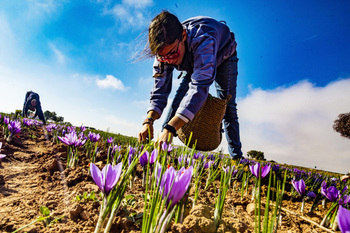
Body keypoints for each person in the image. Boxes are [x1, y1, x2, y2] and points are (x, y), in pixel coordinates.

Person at [138, 11, 242, 159]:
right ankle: (161, 149)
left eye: (172, 54)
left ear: (183, 36)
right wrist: (148, 121)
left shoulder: (203, 40)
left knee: (228, 106)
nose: (169, 60)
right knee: (179, 99)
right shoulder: (164, 54)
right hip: (191, 59)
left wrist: (171, 127)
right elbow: (160, 90)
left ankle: (237, 158)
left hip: (224, 53)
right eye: (163, 57)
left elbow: (199, 86)